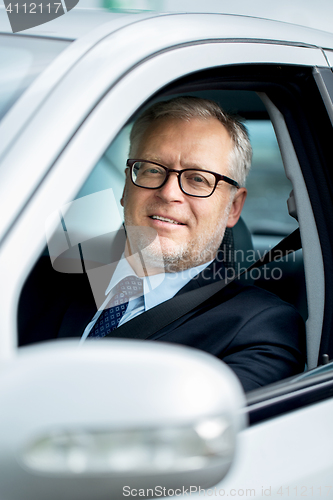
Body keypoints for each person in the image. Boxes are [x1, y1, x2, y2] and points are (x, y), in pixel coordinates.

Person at [20, 97, 305, 392]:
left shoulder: (261, 327)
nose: (169, 193)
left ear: (233, 207)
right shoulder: (33, 280)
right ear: (126, 187)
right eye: (153, 170)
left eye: (198, 179)